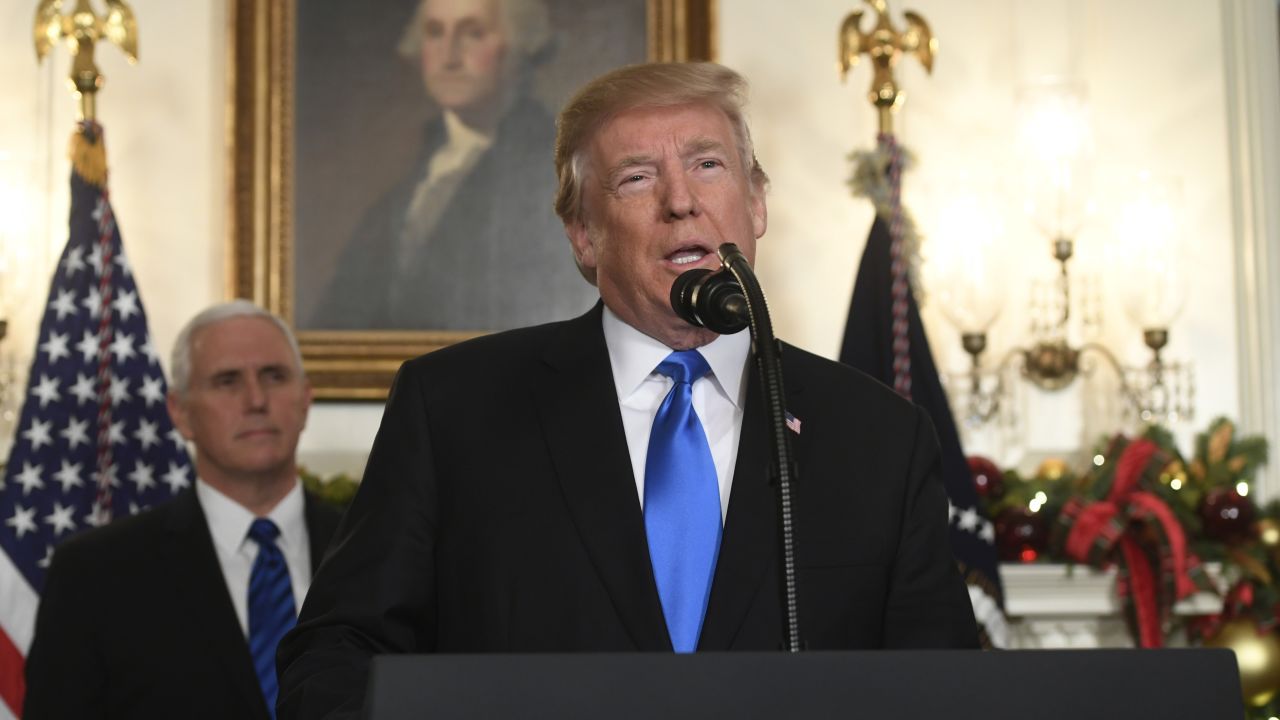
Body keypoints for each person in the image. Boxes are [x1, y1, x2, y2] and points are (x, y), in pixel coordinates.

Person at [278, 62, 978, 718]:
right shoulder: (455, 409)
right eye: (638, 178)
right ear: (583, 233)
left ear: (757, 203)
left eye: (708, 165)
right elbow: (334, 659)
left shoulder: (878, 435)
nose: (682, 202)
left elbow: (942, 687)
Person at [23, 301, 342, 720]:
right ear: (181, 413)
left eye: (274, 376)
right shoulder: (94, 573)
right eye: (227, 381)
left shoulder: (376, 547)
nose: (256, 399)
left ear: (305, 399)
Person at [310, 0, 595, 331]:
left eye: (473, 33)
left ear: (519, 45)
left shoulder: (553, 162)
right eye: (434, 33)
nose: (449, 55)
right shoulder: (420, 172)